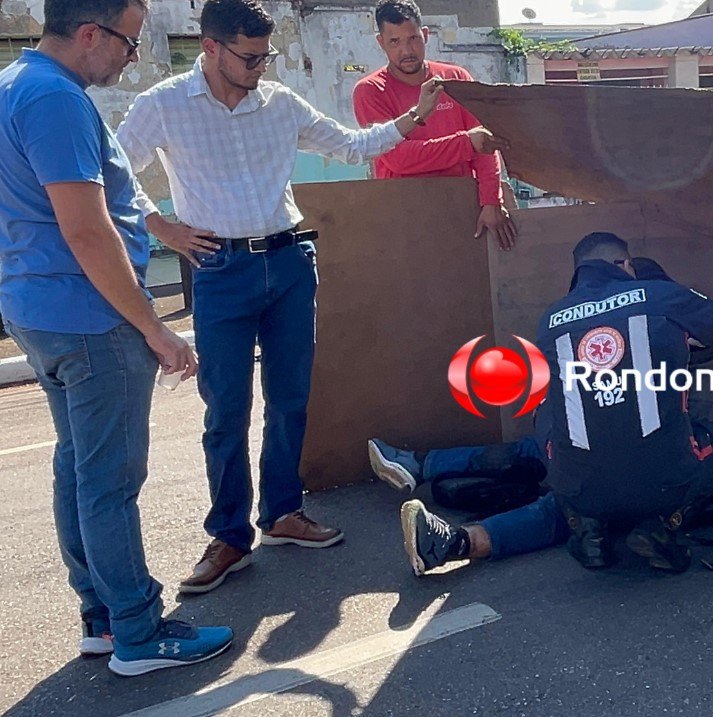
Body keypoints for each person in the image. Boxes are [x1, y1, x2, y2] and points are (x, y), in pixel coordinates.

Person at [116, 0, 487, 595]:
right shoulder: (161, 105)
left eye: (267, 55)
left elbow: (353, 145)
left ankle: (283, 514)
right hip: (219, 268)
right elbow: (113, 171)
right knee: (226, 409)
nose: (261, 66)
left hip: (290, 261)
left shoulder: (280, 102)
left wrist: (414, 117)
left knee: (290, 398)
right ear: (210, 47)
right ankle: (230, 538)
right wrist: (160, 225)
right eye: (250, 56)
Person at [0, 0, 232, 676]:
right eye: (129, 44)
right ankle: (138, 628)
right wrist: (153, 325)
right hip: (89, 316)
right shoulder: (55, 100)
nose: (131, 57)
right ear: (89, 34)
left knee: (77, 468)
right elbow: (86, 229)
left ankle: (102, 617)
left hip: (39, 308)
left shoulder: (16, 84)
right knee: (108, 481)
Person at [369, 234, 713, 574]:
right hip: (664, 484)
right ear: (625, 264)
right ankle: (662, 524)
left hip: (580, 489)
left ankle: (445, 513)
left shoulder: (551, 319)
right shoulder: (661, 295)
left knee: (556, 451)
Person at [353, 0, 518, 251]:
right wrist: (467, 143)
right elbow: (399, 159)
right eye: (394, 42)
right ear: (380, 43)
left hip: (464, 211)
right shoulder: (371, 91)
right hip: (404, 215)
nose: (406, 50)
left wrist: (491, 201)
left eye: (413, 39)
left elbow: (486, 146)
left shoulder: (456, 79)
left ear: (426, 35)